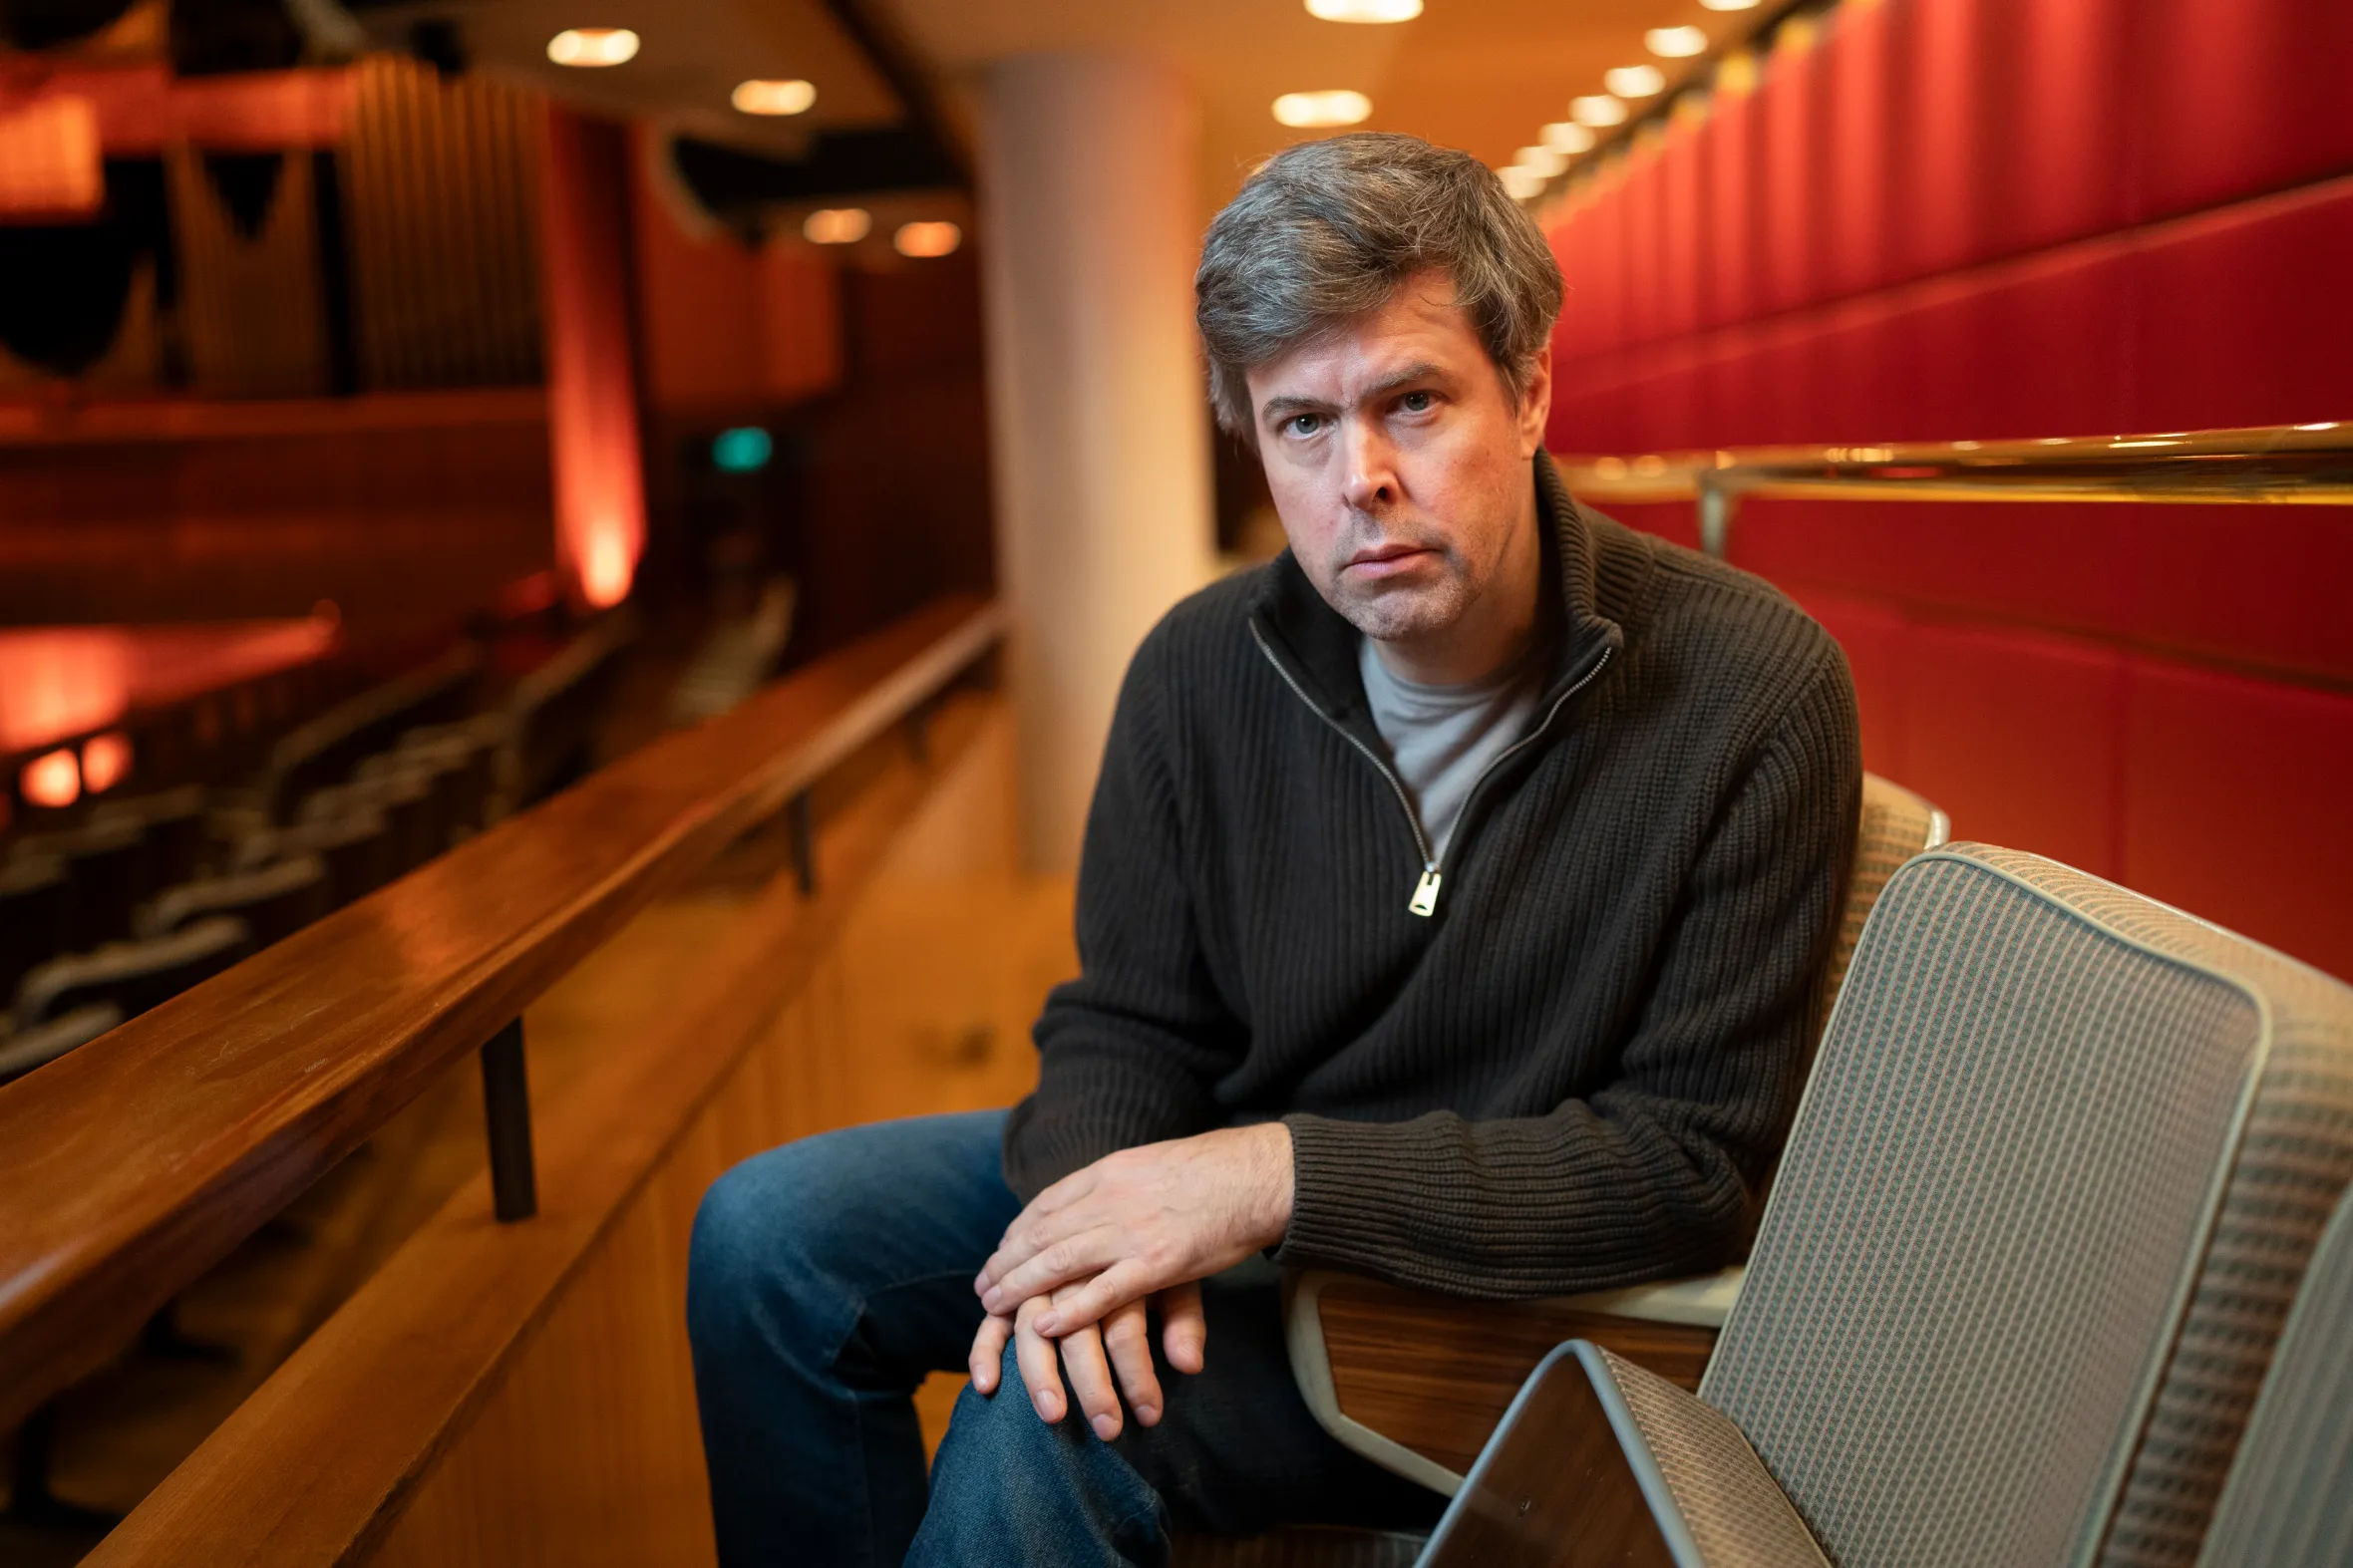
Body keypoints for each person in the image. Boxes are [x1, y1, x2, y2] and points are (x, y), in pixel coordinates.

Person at [686, 131, 1860, 1566]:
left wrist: (1261, 1180)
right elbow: (1127, 1022)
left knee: (1052, 1415)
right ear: (1252, 436)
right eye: (1302, 422)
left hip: (1473, 1312)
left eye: (1412, 402)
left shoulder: (1753, 686)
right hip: (1230, 1222)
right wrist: (1104, 1232)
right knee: (772, 1242)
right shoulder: (1198, 672)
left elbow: (1687, 1168)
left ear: (1533, 389)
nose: (1360, 476)